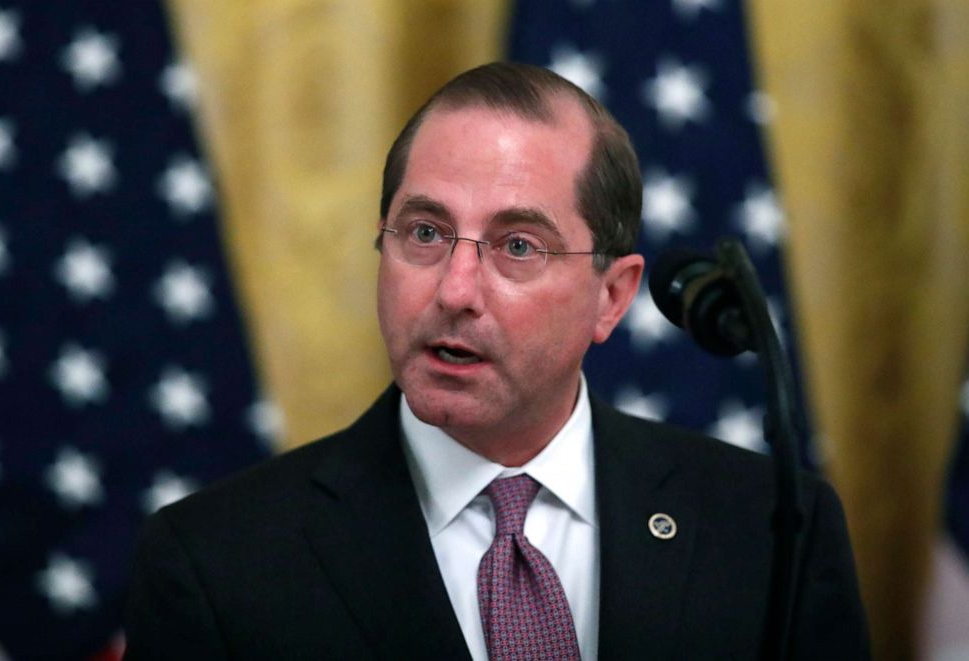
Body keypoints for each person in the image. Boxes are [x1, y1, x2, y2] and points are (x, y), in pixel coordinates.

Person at [124, 62, 869, 660]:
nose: (454, 289)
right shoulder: (214, 565)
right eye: (423, 232)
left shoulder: (771, 533)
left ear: (611, 296)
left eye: (518, 245)